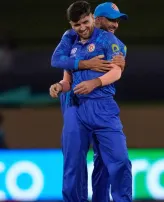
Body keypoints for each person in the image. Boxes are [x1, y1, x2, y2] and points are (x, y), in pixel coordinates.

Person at [49, 1, 131, 201]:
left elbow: (116, 70)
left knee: (114, 161)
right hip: (75, 103)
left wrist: (96, 81)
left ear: (92, 19)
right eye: (111, 20)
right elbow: (61, 65)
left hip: (101, 104)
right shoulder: (70, 38)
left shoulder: (111, 41)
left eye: (117, 21)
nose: (115, 24)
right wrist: (61, 85)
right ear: (98, 18)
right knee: (74, 164)